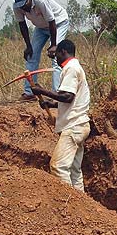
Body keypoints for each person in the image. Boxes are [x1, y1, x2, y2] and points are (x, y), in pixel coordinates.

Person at [31, 39, 90, 191]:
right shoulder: (75, 68)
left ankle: (69, 204)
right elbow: (71, 99)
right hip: (80, 125)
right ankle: (82, 205)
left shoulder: (70, 68)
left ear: (63, 52)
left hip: (73, 127)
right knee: (74, 170)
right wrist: (51, 103)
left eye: (56, 54)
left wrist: (42, 91)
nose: (55, 59)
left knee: (58, 167)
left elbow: (68, 96)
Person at [12, 0, 69, 101]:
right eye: (21, 5)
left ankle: (56, 94)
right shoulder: (17, 6)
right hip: (41, 27)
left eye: (25, 3)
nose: (23, 7)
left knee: (56, 58)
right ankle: (29, 93)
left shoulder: (40, 1)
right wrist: (28, 46)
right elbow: (22, 25)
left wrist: (54, 45)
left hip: (58, 23)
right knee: (31, 56)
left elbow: (51, 21)